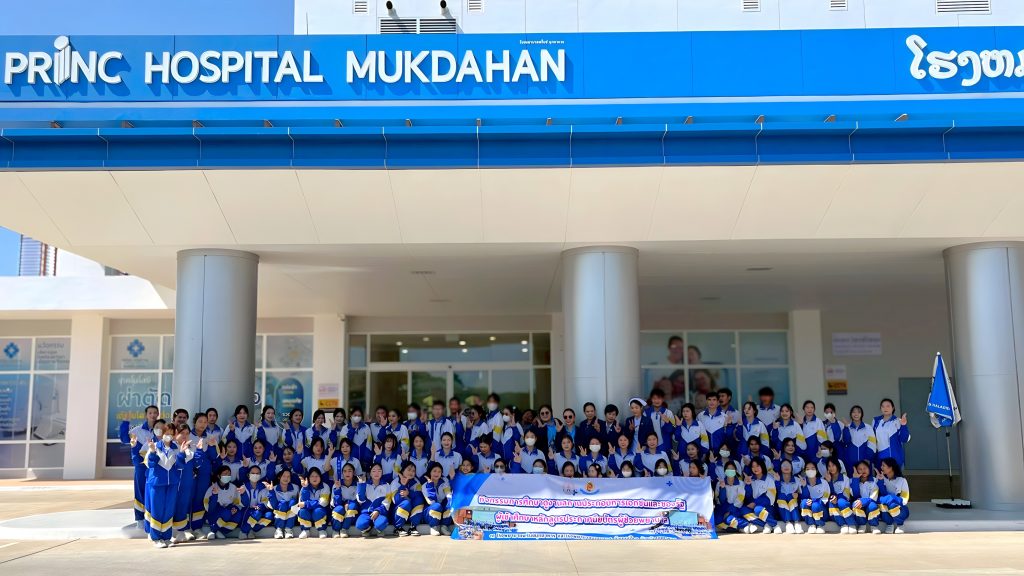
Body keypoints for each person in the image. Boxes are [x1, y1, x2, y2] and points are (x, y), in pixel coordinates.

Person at [144, 422, 191, 548]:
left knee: (168, 510)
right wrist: (152, 451)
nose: (168, 435)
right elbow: (150, 464)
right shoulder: (155, 446)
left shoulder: (176, 448)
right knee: (157, 510)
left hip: (172, 484)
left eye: (171, 433)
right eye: (166, 433)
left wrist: (181, 453)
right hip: (157, 483)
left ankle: (166, 537)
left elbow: (180, 466)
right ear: (162, 433)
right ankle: (156, 538)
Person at [119, 404, 159, 529]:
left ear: (158, 414)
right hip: (141, 467)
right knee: (140, 491)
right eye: (150, 413)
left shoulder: (160, 430)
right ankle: (140, 518)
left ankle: (153, 517)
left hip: (156, 466)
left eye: (155, 413)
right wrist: (125, 422)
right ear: (146, 415)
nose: (153, 415)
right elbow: (124, 439)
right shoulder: (137, 430)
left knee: (155, 492)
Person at [170, 424, 202, 543]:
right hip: (174, 484)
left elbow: (197, 464)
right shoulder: (171, 448)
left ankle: (180, 531)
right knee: (172, 507)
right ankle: (169, 533)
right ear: (175, 434)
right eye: (181, 433)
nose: (184, 436)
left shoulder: (191, 448)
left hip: (187, 484)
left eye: (187, 433)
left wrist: (199, 450)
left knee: (183, 507)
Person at [188, 412, 218, 538]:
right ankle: (186, 528)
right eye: (200, 421)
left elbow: (214, 457)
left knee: (200, 499)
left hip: (204, 473)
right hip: (190, 471)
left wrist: (211, 446)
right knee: (188, 498)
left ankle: (197, 527)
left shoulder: (210, 437)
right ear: (194, 422)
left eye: (205, 422)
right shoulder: (188, 435)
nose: (203, 424)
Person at [204, 464, 244, 540]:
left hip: (229, 510)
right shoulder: (212, 487)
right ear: (219, 476)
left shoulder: (233, 487)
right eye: (225, 474)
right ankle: (213, 530)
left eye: (229, 474)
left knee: (238, 514)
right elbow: (208, 506)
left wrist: (234, 508)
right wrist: (214, 495)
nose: (227, 476)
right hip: (215, 512)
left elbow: (237, 501)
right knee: (226, 513)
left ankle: (220, 531)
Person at [742, 458, 778, 534]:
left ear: (762, 466)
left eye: (757, 466)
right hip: (753, 507)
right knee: (743, 510)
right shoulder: (751, 479)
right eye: (753, 466)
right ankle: (766, 524)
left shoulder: (769, 479)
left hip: (767, 508)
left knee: (757, 509)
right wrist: (748, 485)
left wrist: (755, 503)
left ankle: (774, 524)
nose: (755, 468)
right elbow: (748, 497)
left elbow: (770, 497)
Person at [356, 463, 392, 537]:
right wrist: (361, 484)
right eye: (374, 471)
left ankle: (378, 528)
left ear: (382, 473)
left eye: (379, 471)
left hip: (380, 513)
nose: (376, 473)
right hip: (366, 512)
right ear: (370, 473)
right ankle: (368, 528)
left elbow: (387, 501)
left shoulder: (386, 485)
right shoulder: (365, 484)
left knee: (380, 524)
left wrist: (378, 511)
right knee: (360, 525)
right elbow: (360, 500)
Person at [873, 399, 911, 468]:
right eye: (883, 406)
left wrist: (903, 425)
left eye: (888, 406)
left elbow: (904, 439)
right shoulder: (875, 421)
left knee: (895, 475)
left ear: (893, 408)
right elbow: (872, 439)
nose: (885, 408)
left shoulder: (898, 421)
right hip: (880, 459)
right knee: (880, 475)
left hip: (895, 459)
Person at [239, 464, 272, 539]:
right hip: (247, 511)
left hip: (260, 510)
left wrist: (260, 506)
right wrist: (243, 494)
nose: (255, 475)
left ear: (260, 475)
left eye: (257, 473)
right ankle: (244, 531)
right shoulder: (243, 487)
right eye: (253, 473)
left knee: (269, 515)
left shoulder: (264, 486)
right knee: (257, 513)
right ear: (248, 475)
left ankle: (251, 529)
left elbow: (266, 501)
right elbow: (243, 504)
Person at [391, 460, 424, 536]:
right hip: (396, 512)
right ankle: (398, 528)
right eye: (409, 470)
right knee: (406, 503)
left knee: (419, 500)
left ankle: (413, 527)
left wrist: (409, 493)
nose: (411, 472)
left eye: (413, 471)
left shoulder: (416, 481)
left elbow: (419, 494)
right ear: (403, 470)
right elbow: (395, 500)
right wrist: (403, 485)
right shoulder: (396, 482)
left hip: (410, 512)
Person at [715, 460, 749, 533]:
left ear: (735, 471)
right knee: (717, 520)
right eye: (728, 469)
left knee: (729, 519)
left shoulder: (740, 483)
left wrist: (731, 508)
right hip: (723, 508)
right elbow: (717, 498)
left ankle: (747, 524)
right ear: (725, 471)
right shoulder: (719, 483)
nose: (730, 471)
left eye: (732, 469)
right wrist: (722, 488)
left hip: (736, 508)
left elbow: (741, 497)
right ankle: (737, 528)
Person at [878, 457, 910, 534]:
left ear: (890, 467)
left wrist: (891, 499)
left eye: (883, 465)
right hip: (885, 506)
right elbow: (879, 497)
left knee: (892, 505)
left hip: (900, 508)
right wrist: (880, 481)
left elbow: (904, 499)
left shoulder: (902, 480)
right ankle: (889, 524)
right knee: (883, 506)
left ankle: (900, 525)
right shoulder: (880, 478)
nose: (881, 467)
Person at [840, 405, 877, 473]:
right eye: (854, 412)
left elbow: (872, 444)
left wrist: (867, 458)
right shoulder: (847, 427)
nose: (856, 414)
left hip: (865, 462)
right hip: (850, 462)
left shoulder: (868, 427)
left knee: (866, 479)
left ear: (862, 414)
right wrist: (846, 427)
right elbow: (846, 442)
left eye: (858, 412)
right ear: (851, 414)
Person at [297, 467, 331, 538]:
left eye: (317, 476)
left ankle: (321, 530)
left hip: (320, 512)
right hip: (308, 512)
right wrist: (305, 488)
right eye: (312, 476)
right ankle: (305, 530)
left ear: (320, 477)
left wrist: (307, 504)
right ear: (308, 478)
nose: (314, 478)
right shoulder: (304, 487)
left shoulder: (325, 486)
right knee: (303, 511)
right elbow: (302, 502)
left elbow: (323, 502)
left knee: (318, 511)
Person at [850, 460, 882, 534]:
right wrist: (855, 480)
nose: (863, 470)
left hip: (870, 503)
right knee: (856, 504)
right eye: (860, 469)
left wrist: (863, 501)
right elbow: (855, 495)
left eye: (865, 468)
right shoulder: (852, 480)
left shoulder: (874, 480)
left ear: (869, 469)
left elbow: (874, 497)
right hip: (859, 503)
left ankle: (874, 526)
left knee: (873, 506)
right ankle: (862, 525)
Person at [422, 462, 453, 536]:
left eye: (439, 471)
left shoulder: (444, 482)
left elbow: (448, 495)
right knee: (436, 506)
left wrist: (450, 503)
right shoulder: (425, 486)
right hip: (430, 511)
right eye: (434, 471)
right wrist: (430, 486)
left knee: (450, 503)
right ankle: (433, 527)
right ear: (430, 472)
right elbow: (431, 502)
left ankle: (444, 526)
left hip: (441, 509)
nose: (437, 473)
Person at [825, 457, 854, 534]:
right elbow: (826, 494)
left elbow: (847, 495)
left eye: (833, 465)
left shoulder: (845, 478)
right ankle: (843, 525)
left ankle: (852, 524)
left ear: (837, 465)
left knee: (841, 502)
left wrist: (837, 498)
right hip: (831, 506)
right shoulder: (825, 479)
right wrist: (829, 482)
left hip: (843, 502)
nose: (831, 468)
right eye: (829, 466)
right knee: (831, 502)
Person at [330, 463, 360, 538]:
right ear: (342, 473)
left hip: (351, 510)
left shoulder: (357, 485)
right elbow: (335, 503)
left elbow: (358, 501)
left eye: (350, 471)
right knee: (339, 509)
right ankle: (336, 530)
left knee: (352, 506)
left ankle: (344, 529)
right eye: (345, 471)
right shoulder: (337, 484)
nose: (347, 473)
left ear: (353, 473)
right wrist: (338, 489)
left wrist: (348, 503)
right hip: (340, 507)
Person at [799, 462, 830, 534]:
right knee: (804, 502)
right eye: (808, 469)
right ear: (805, 471)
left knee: (815, 505)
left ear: (817, 470)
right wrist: (804, 486)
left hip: (821, 511)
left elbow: (826, 499)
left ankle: (820, 525)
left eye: (813, 469)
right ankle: (811, 524)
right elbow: (802, 499)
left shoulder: (823, 482)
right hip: (809, 512)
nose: (810, 471)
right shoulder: (802, 482)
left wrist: (813, 501)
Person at [773, 459, 802, 534]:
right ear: (780, 468)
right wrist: (777, 482)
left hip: (795, 506)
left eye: (788, 465)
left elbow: (802, 494)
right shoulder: (776, 478)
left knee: (790, 496)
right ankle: (788, 523)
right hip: (781, 508)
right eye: (784, 465)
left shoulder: (797, 480)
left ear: (792, 467)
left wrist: (798, 495)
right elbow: (775, 495)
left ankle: (797, 523)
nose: (786, 467)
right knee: (782, 496)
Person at [268, 468, 299, 539]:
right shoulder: (273, 488)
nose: (286, 478)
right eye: (284, 476)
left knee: (293, 502)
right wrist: (271, 491)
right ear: (279, 477)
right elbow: (273, 505)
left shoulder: (296, 488)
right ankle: (278, 529)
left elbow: (298, 502)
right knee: (283, 503)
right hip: (279, 511)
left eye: (288, 476)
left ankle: (288, 529)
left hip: (291, 513)